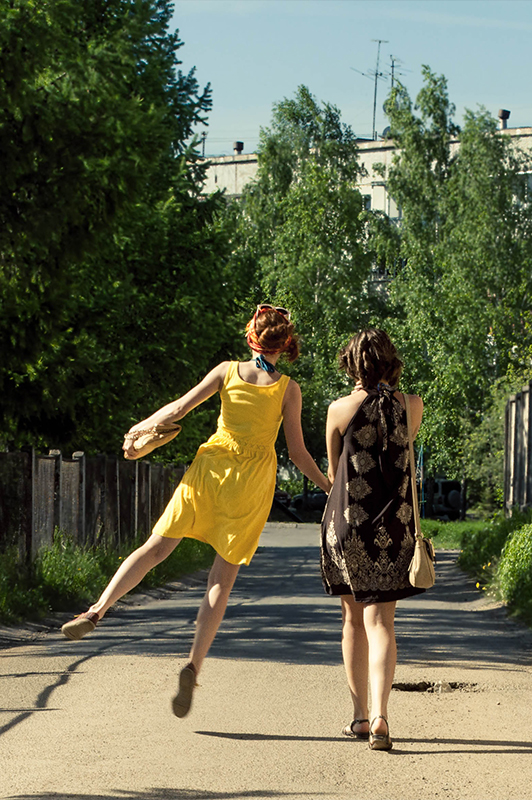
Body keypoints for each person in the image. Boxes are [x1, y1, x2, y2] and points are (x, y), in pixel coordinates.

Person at [62, 304, 330, 718]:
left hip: (211, 469)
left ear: (251, 338)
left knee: (156, 548)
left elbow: (179, 408)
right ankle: (193, 664)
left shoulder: (227, 371)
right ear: (285, 345)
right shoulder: (288, 390)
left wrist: (139, 430)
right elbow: (297, 451)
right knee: (221, 577)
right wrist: (329, 486)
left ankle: (97, 609)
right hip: (251, 484)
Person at [320, 329, 424, 751]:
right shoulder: (412, 406)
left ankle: (360, 718)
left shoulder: (339, 409)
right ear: (391, 361)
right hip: (396, 524)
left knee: (352, 620)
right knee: (382, 623)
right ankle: (382, 716)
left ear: (352, 364)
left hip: (348, 526)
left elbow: (333, 475)